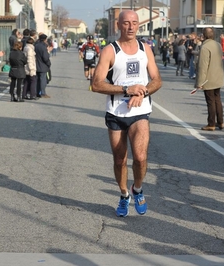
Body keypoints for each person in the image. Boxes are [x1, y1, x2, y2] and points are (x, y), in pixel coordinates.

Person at [91, 10, 162, 217]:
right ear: (118, 26)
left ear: (138, 25)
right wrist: (125, 90)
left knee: (140, 157)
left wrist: (143, 91)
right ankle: (124, 195)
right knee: (120, 160)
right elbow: (96, 84)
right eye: (126, 23)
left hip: (140, 111)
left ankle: (137, 189)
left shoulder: (145, 49)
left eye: (134, 23)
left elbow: (157, 79)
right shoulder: (110, 51)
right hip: (116, 112)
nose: (130, 27)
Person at [194, 27, 224, 131]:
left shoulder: (205, 47)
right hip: (218, 76)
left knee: (210, 101)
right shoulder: (218, 45)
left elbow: (203, 66)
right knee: (218, 100)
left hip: (208, 78)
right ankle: (220, 122)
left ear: (204, 35)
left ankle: (211, 123)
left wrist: (199, 82)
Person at [35, 34, 51, 98]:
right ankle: (43, 93)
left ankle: (37, 92)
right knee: (43, 80)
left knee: (38, 80)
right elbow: (45, 57)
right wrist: (48, 63)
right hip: (43, 65)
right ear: (45, 39)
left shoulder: (36, 45)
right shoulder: (44, 47)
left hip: (36, 64)